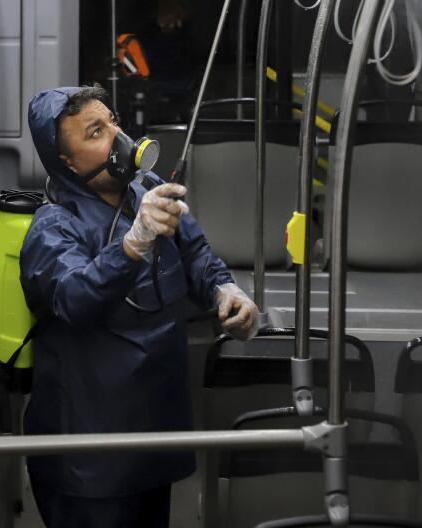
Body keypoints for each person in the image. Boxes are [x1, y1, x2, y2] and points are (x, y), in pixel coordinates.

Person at [19, 84, 260, 528]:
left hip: (153, 435)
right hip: (90, 453)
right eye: (95, 132)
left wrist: (226, 290)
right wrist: (132, 245)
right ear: (66, 162)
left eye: (113, 121)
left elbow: (195, 254)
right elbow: (75, 298)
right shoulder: (52, 228)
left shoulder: (146, 190)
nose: (117, 137)